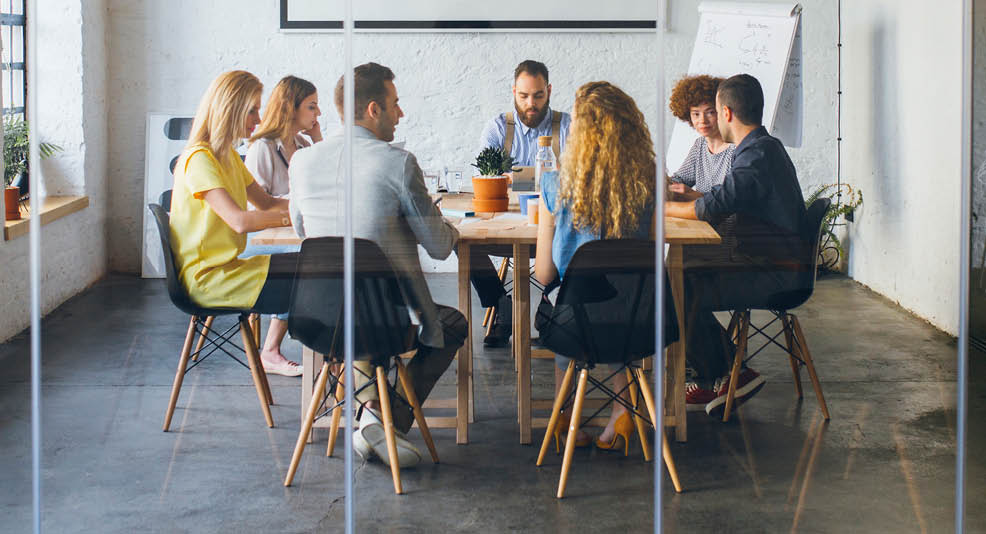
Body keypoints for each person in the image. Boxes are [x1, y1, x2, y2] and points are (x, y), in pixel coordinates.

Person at [289, 63, 466, 468]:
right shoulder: (397, 163)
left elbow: (302, 232)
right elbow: (439, 248)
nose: (400, 114)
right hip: (382, 321)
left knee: (359, 315)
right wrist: (450, 227)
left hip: (318, 318)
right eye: (395, 104)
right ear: (373, 109)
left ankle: (370, 412)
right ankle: (384, 421)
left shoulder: (302, 162)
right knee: (452, 324)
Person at [665, 74, 808, 416]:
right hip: (764, 261)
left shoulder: (755, 155)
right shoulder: (761, 147)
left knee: (675, 286)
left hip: (775, 274)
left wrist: (661, 209)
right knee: (679, 273)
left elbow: (713, 205)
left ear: (726, 113)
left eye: (712, 111)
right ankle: (715, 374)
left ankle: (732, 372)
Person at [534, 81, 655, 451]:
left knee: (569, 299)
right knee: (618, 296)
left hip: (576, 324)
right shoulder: (647, 182)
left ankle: (564, 416)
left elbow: (544, 273)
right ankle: (623, 412)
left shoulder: (556, 185)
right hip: (636, 319)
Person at [169, 71, 296, 348]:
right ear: (230, 110)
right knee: (321, 285)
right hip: (210, 281)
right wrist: (293, 217)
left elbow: (267, 203)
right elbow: (239, 221)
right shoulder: (199, 159)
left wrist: (313, 209)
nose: (259, 119)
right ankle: (335, 375)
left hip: (231, 270)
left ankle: (333, 374)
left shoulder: (226, 157)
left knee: (317, 268)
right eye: (252, 110)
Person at [475, 60, 573, 346]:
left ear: (549, 91)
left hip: (552, 229)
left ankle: (549, 299)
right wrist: (547, 178)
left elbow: (578, 178)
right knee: (462, 240)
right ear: (514, 91)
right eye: (524, 96)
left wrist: (513, 177)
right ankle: (498, 301)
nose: (531, 104)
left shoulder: (568, 125)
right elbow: (486, 177)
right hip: (507, 223)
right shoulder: (497, 127)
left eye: (539, 96)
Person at [241, 75, 323, 377]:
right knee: (309, 259)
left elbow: (325, 184)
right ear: (291, 108)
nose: (318, 114)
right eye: (312, 107)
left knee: (327, 252)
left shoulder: (302, 144)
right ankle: (271, 350)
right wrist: (294, 205)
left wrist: (317, 140)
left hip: (291, 234)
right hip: (260, 241)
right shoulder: (262, 147)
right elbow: (256, 208)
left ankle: (327, 338)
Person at [667, 74, 735, 198]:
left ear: (723, 112)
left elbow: (731, 202)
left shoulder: (736, 149)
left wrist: (695, 195)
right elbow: (680, 179)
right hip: (701, 216)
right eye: (696, 114)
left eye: (710, 112)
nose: (702, 120)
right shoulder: (700, 145)